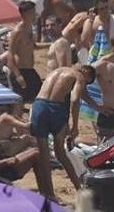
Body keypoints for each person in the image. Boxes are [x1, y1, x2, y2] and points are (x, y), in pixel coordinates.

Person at [29, 64, 98, 200]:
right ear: (85, 72)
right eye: (86, 82)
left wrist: (97, 107)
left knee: (44, 156)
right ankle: (79, 189)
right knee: (61, 153)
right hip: (56, 109)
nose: (84, 85)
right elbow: (75, 98)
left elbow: (82, 94)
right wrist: (75, 126)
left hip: (38, 105)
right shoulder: (79, 76)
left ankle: (49, 194)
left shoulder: (57, 71)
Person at [7, 1, 41, 104]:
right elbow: (10, 53)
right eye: (33, 12)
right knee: (19, 103)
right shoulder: (18, 31)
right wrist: (17, 75)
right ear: (26, 14)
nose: (35, 14)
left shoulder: (30, 27)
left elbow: (31, 46)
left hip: (30, 69)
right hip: (20, 71)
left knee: (38, 96)